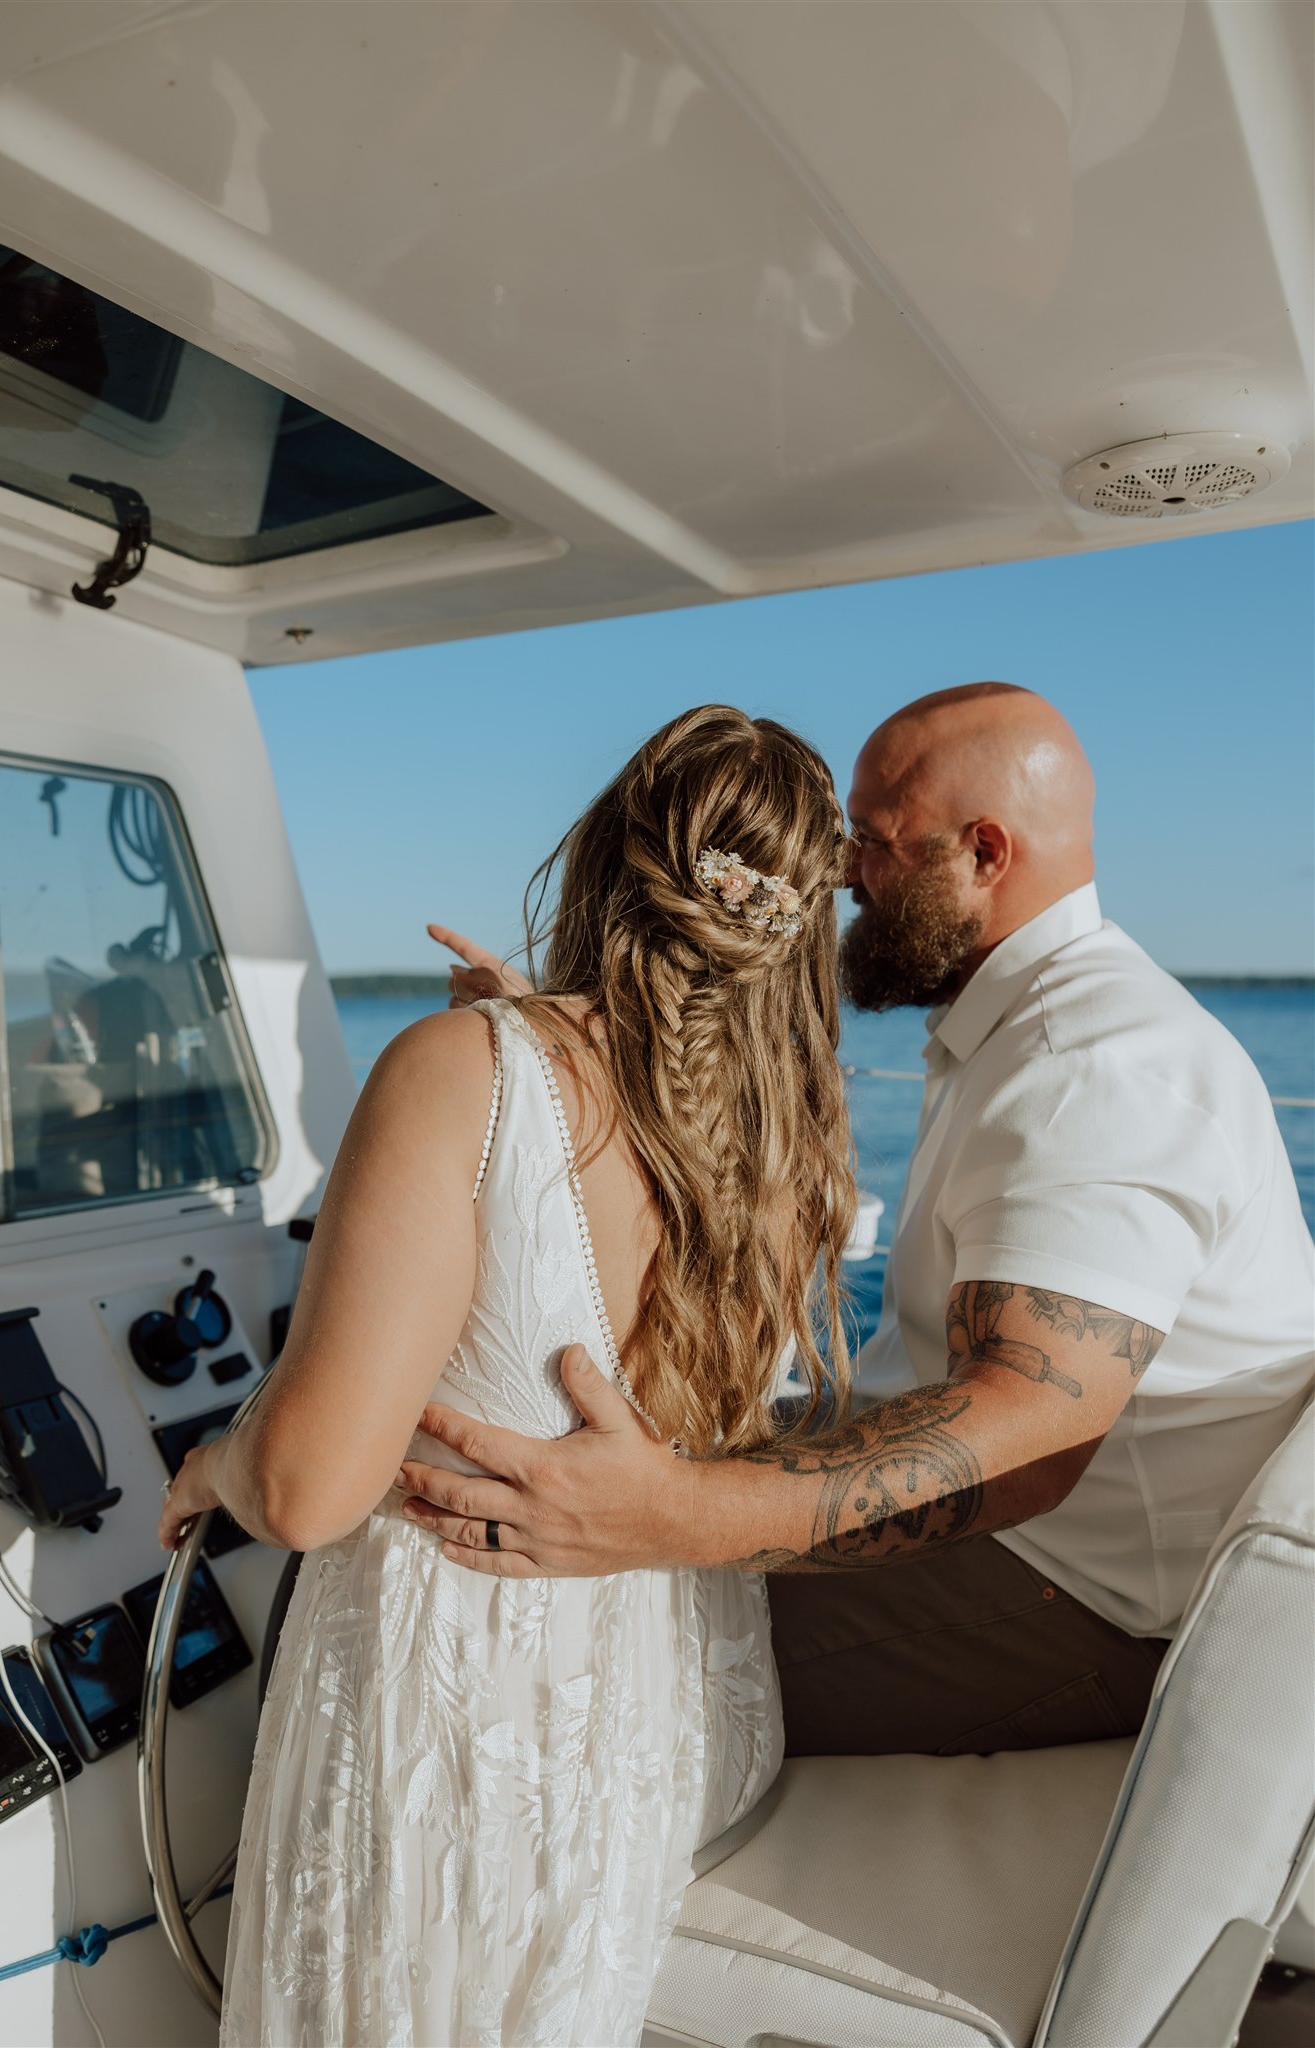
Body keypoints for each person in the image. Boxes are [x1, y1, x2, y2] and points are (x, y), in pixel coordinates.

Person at [400, 682, 1315, 1758]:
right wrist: (564, 1070)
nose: (837, 877)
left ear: (984, 853)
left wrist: (668, 1514)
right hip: (1038, 1545)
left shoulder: (1093, 1069)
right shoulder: (1020, 1027)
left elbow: (1025, 1440)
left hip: (1078, 1595)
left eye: (873, 843)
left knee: (555, 1635)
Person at [157, 705, 860, 2047]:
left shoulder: (457, 1075)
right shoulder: (792, 1149)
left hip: (465, 1736)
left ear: (603, 856)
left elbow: (306, 1491)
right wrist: (510, 1043)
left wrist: (215, 1458)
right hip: (659, 1725)